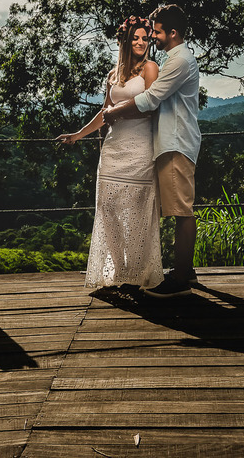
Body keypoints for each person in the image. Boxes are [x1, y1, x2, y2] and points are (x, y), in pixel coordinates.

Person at [58, 15, 163, 292]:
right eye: (135, 38)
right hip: (113, 151)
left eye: (145, 38)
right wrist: (78, 135)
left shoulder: (151, 69)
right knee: (109, 210)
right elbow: (103, 114)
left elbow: (151, 106)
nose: (141, 42)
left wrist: (117, 111)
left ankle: (137, 274)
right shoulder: (113, 75)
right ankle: (120, 269)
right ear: (125, 41)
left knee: (138, 211)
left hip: (141, 150)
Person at [103, 3, 200, 299]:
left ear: (172, 33)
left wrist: (115, 112)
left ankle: (182, 277)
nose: (152, 39)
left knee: (181, 210)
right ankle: (183, 270)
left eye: (156, 33)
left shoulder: (179, 61)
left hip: (176, 142)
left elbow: (151, 98)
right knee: (176, 208)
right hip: (168, 142)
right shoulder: (176, 58)